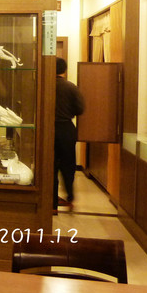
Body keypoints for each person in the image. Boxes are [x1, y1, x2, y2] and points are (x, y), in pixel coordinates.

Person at [54, 57, 85, 213]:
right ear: (64, 70)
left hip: (49, 129)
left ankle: (51, 202)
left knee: (50, 165)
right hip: (67, 128)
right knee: (68, 164)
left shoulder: (46, 86)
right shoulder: (71, 87)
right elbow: (80, 109)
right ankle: (70, 197)